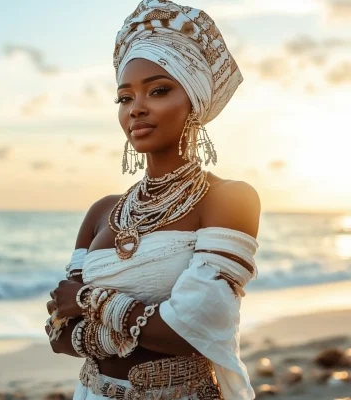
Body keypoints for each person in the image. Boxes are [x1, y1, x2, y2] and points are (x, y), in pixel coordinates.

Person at [45, 1, 261, 399]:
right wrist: (140, 323)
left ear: (193, 100)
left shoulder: (229, 199)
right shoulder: (101, 211)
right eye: (124, 98)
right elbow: (58, 332)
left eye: (158, 90)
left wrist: (88, 299)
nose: (136, 109)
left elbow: (191, 332)